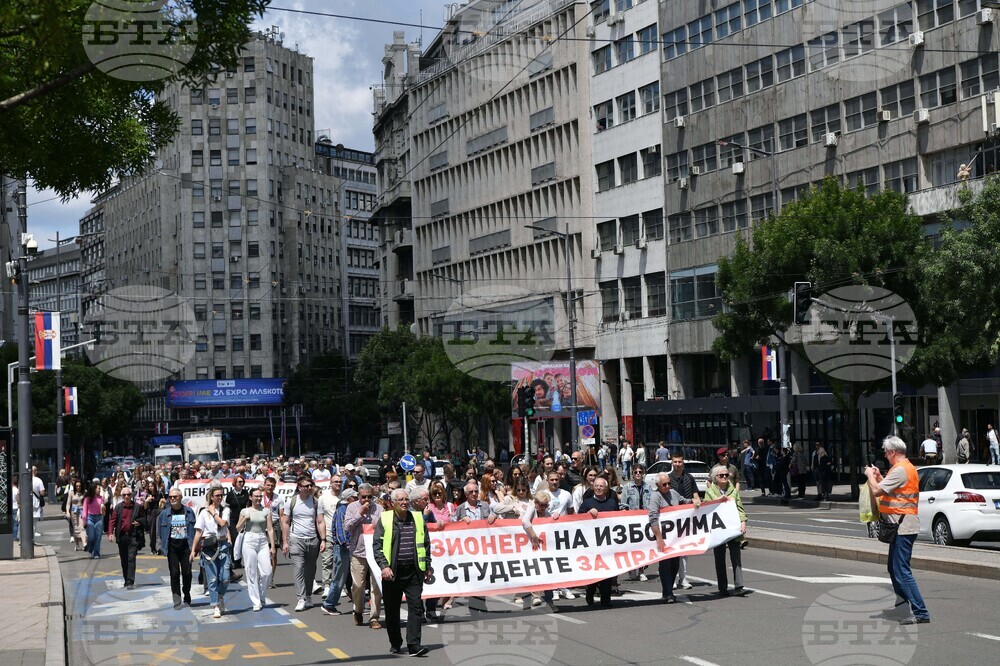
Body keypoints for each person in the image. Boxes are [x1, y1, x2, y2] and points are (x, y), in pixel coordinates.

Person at [864, 436, 929, 625]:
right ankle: (901, 608)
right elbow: (890, 488)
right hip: (901, 525)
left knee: (901, 570)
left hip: (903, 526)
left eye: (886, 452)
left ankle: (921, 612)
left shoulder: (901, 469)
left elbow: (877, 491)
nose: (885, 455)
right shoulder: (904, 467)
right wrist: (879, 477)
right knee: (893, 568)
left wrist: (869, 475)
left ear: (893, 452)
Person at [373, 488, 432, 657]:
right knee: (392, 610)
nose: (405, 502)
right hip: (393, 572)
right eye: (401, 500)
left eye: (406, 499)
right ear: (393, 503)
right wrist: (384, 566)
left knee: (416, 607)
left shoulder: (418, 518)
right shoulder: (385, 519)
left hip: (414, 571)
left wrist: (427, 565)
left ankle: (414, 644)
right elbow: (377, 546)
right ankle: (396, 642)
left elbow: (426, 543)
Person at [281, 475, 327, 612]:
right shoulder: (291, 502)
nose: (309, 488)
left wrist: (323, 539)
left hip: (313, 540)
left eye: (310, 485)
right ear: (299, 487)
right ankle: (301, 598)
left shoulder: (316, 502)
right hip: (296, 539)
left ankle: (308, 596)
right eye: (306, 486)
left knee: (310, 570)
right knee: (298, 568)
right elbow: (286, 522)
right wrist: (285, 541)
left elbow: (320, 521)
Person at [705, 465, 749, 597]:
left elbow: (740, 508)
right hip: (718, 530)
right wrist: (718, 500)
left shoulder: (733, 491)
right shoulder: (710, 491)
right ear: (715, 478)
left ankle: (739, 586)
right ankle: (722, 587)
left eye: (726, 475)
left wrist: (743, 523)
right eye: (721, 475)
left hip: (732, 529)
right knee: (719, 558)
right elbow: (706, 507)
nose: (725, 477)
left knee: (736, 557)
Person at [345, 482, 383, 629]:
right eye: (363, 497)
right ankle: (358, 609)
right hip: (358, 551)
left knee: (376, 586)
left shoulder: (378, 508)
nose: (367, 500)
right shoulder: (351, 507)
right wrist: (359, 514)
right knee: (358, 585)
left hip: (375, 552)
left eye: (369, 497)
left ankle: (374, 617)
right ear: (358, 496)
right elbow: (347, 527)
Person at [190, 482, 231, 618]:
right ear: (211, 497)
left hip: (223, 544)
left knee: (225, 577)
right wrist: (193, 550)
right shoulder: (203, 512)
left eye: (221, 495)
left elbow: (223, 523)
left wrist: (214, 513)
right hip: (209, 547)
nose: (220, 497)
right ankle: (215, 605)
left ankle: (220, 596)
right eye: (217, 495)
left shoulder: (225, 510)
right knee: (212, 578)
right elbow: (198, 532)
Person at [579, 477, 620, 607]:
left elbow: (619, 521)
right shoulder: (587, 503)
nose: (598, 488)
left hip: (608, 544)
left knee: (608, 572)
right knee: (594, 572)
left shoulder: (612, 503)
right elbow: (576, 521)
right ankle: (590, 591)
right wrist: (587, 513)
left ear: (606, 488)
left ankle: (606, 599)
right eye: (596, 486)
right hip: (592, 544)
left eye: (601, 486)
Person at [236, 486, 276, 612]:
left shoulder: (266, 511)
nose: (258, 498)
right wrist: (244, 519)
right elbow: (237, 528)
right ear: (251, 497)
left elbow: (270, 529)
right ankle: (256, 601)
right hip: (249, 539)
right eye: (256, 496)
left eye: (260, 496)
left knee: (267, 572)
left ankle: (262, 596)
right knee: (251, 572)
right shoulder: (245, 511)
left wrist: (273, 546)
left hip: (262, 540)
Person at [648, 473, 685, 603]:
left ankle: (668, 590)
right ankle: (668, 592)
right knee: (665, 565)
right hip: (663, 536)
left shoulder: (674, 493)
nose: (667, 486)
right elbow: (652, 517)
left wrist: (695, 501)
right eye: (664, 484)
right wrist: (658, 537)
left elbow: (684, 502)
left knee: (675, 564)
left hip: (674, 536)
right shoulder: (655, 496)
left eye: (669, 483)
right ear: (658, 485)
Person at [157, 488, 196, 609]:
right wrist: (160, 546)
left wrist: (195, 548)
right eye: (171, 497)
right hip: (172, 547)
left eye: (175, 497)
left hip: (186, 547)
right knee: (174, 573)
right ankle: (176, 597)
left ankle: (187, 593)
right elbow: (159, 531)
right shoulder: (164, 514)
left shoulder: (189, 512)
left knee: (187, 573)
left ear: (180, 497)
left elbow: (195, 530)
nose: (172, 499)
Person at [668, 453, 701, 589]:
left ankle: (683, 578)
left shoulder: (689, 478)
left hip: (687, 518)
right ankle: (673, 578)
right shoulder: (667, 478)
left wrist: (697, 501)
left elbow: (695, 495)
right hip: (671, 519)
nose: (677, 464)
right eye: (675, 462)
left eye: (679, 462)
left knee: (684, 550)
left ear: (683, 463)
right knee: (672, 550)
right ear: (672, 463)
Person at [321, 488, 357, 616]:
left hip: (350, 548)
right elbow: (341, 533)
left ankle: (358, 603)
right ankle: (329, 604)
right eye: (355, 497)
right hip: (343, 549)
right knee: (339, 578)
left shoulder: (350, 510)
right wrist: (348, 545)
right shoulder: (342, 511)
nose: (357, 499)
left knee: (355, 578)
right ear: (348, 499)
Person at [108, 484, 148, 590]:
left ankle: (130, 581)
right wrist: (110, 533)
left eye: (128, 494)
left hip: (133, 536)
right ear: (122, 496)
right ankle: (126, 578)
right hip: (122, 537)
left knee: (131, 558)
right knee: (124, 559)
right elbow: (112, 521)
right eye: (125, 495)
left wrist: (139, 523)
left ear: (131, 495)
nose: (127, 497)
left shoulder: (137, 507)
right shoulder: (118, 507)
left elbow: (144, 519)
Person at [621, 465, 650, 582]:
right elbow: (623, 505)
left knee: (643, 546)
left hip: (644, 521)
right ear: (632, 473)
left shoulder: (648, 487)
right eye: (635, 472)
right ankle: (632, 568)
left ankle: (642, 570)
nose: (638, 473)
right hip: (632, 520)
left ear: (643, 473)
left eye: (640, 472)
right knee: (632, 546)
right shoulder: (627, 487)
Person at [318, 474, 343, 595]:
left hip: (343, 535)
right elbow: (320, 519)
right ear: (330, 483)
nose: (338, 484)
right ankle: (326, 585)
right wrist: (322, 538)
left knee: (341, 561)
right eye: (335, 482)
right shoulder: (323, 498)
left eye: (340, 482)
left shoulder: (345, 497)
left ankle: (340, 585)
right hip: (328, 533)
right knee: (327, 561)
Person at [261, 476, 285, 583]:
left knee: (273, 553)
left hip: (274, 526)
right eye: (268, 485)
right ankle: (263, 575)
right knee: (262, 553)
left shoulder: (278, 498)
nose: (270, 487)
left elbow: (281, 516)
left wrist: (284, 533)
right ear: (264, 485)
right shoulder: (259, 497)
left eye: (272, 485)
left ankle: (271, 577)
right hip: (261, 525)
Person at [82, 480, 105, 559]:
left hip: (99, 517)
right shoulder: (87, 498)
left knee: (98, 537)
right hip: (90, 518)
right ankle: (90, 549)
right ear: (94, 489)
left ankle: (96, 553)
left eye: (100, 489)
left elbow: (103, 510)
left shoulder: (101, 498)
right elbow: (84, 510)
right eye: (98, 488)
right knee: (91, 537)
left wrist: (103, 508)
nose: (99, 490)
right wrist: (84, 520)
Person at [66, 480, 86, 551]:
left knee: (82, 527)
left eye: (79, 486)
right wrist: (67, 512)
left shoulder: (84, 492)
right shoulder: (71, 493)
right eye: (77, 486)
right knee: (75, 528)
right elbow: (68, 503)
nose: (78, 487)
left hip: (82, 511)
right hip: (74, 512)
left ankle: (84, 544)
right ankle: (77, 544)